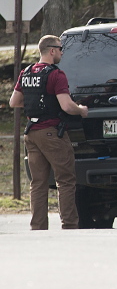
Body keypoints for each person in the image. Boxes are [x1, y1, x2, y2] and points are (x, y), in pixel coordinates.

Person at [9, 35, 89, 230]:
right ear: (52, 50)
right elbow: (67, 105)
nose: (62, 52)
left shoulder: (26, 72)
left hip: (31, 134)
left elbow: (14, 102)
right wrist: (81, 110)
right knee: (66, 180)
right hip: (52, 133)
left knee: (37, 183)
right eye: (60, 49)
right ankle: (69, 224)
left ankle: (38, 227)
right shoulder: (56, 74)